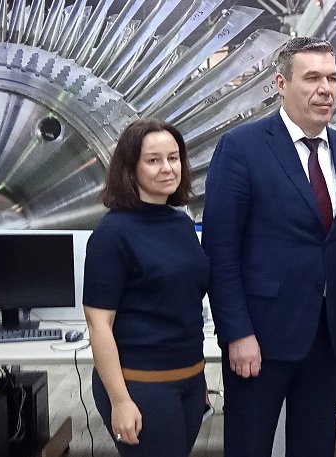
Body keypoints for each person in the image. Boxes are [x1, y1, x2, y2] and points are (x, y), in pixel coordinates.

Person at [201, 36, 336, 457]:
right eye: (312, 77)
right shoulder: (242, 147)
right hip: (260, 338)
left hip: (327, 337)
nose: (325, 89)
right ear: (281, 84)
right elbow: (220, 251)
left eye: (331, 78)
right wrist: (237, 332)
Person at [83, 118, 209, 457]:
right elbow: (98, 325)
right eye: (153, 160)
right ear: (130, 168)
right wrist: (120, 401)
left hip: (189, 378)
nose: (168, 168)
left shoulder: (181, 223)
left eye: (174, 158)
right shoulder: (112, 233)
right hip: (141, 385)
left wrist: (196, 379)